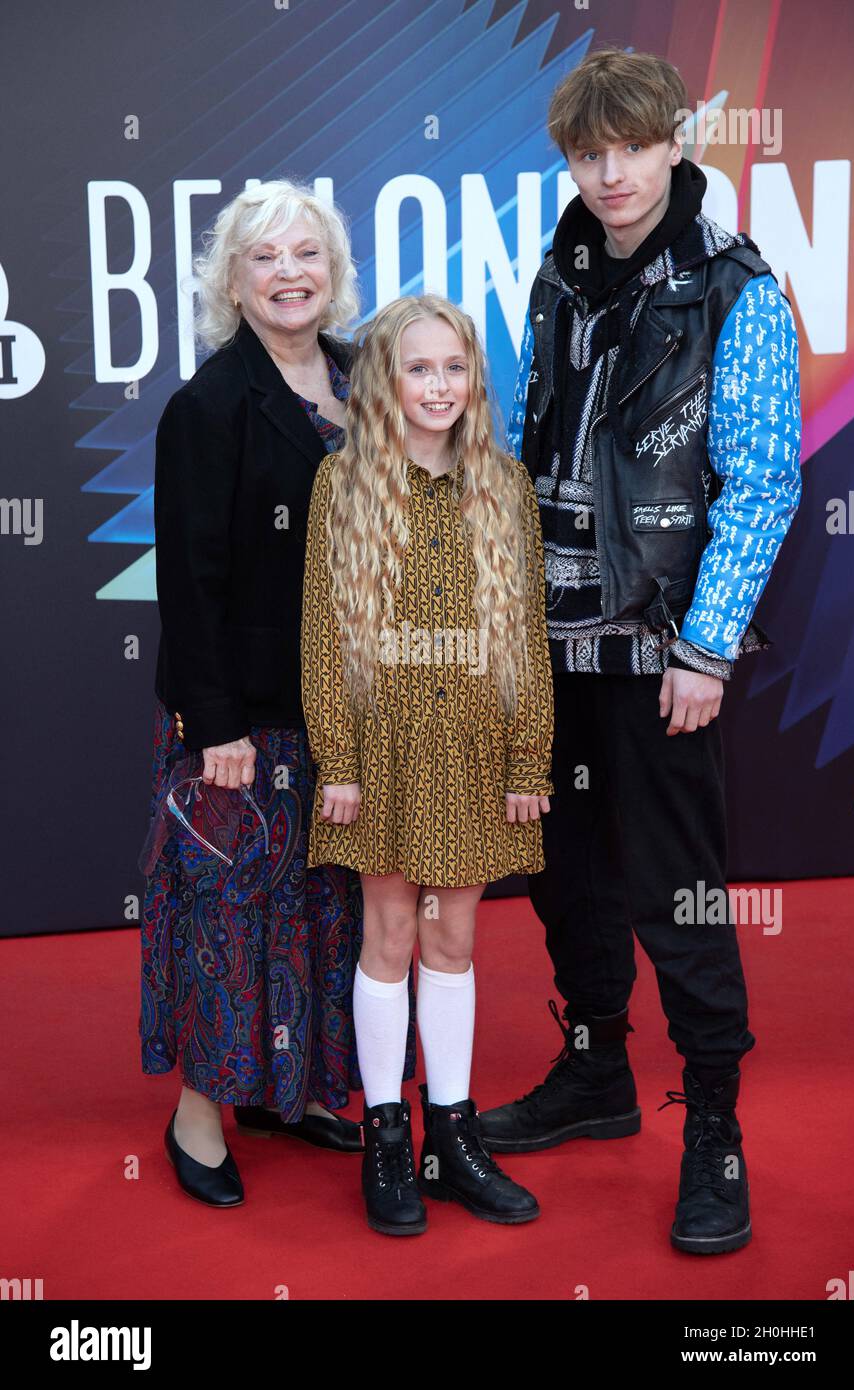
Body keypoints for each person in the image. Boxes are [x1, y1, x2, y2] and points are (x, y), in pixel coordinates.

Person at [477, 48, 802, 1255]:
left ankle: (711, 1125)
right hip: (552, 647)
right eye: (585, 151)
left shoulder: (735, 290)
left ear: (674, 142)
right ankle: (594, 1069)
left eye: (631, 146)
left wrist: (706, 650)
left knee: (680, 893)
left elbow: (762, 480)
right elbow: (532, 443)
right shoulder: (558, 276)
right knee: (567, 877)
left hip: (663, 649)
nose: (609, 174)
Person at [141, 179, 416, 1207]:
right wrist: (214, 725)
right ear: (232, 280)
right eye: (265, 257)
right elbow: (190, 577)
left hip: (354, 705)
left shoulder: (364, 374)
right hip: (248, 715)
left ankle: (291, 1084)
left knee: (325, 907)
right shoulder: (206, 407)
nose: (289, 272)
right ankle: (199, 1115)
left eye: (306, 253)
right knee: (231, 914)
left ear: (334, 270)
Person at [300, 294, 555, 1234]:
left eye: (454, 368)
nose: (438, 386)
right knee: (391, 934)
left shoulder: (506, 485)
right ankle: (385, 1133)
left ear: (473, 379)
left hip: (478, 752)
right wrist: (341, 760)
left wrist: (530, 755)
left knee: (454, 942)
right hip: (384, 751)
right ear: (386, 380)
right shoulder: (346, 485)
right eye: (418, 368)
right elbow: (324, 643)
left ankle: (452, 1133)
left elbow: (526, 633)